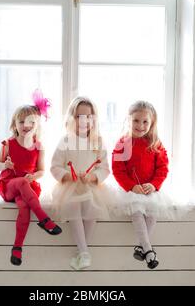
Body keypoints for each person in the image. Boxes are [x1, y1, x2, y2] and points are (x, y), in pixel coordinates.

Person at [0, 90, 62, 266]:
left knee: (24, 207)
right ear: (14, 124)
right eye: (21, 121)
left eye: (31, 122)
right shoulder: (8, 144)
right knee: (22, 182)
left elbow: (42, 171)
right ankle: (44, 219)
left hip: (27, 188)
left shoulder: (39, 147)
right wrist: (5, 166)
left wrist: (34, 176)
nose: (26, 125)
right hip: (9, 185)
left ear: (37, 125)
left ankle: (17, 249)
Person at [112, 101, 175, 270]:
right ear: (129, 121)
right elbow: (118, 170)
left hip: (150, 188)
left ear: (152, 122)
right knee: (137, 211)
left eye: (145, 122)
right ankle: (148, 250)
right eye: (136, 121)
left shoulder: (155, 143)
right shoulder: (122, 143)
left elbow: (163, 168)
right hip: (131, 189)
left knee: (153, 210)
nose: (140, 125)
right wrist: (131, 186)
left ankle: (142, 248)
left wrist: (154, 185)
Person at [50, 97, 111, 270]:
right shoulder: (65, 141)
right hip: (70, 186)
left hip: (91, 186)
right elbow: (54, 166)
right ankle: (84, 252)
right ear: (71, 118)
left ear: (94, 119)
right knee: (73, 206)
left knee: (92, 208)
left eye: (88, 116)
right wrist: (67, 176)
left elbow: (105, 168)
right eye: (79, 116)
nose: (84, 121)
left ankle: (83, 250)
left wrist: (93, 177)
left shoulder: (97, 141)